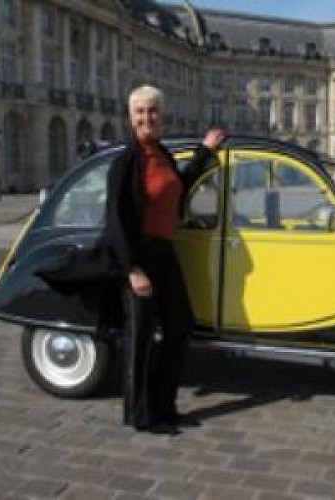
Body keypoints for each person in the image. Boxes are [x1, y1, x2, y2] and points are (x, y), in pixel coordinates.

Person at [102, 85, 226, 434]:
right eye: (140, 112)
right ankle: (141, 416)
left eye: (153, 111)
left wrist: (205, 151)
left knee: (179, 326)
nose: (147, 118)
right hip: (138, 256)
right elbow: (115, 219)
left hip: (164, 252)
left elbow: (180, 188)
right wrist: (132, 269)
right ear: (130, 118)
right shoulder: (126, 161)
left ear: (162, 116)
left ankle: (164, 405)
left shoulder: (162, 154)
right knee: (140, 337)